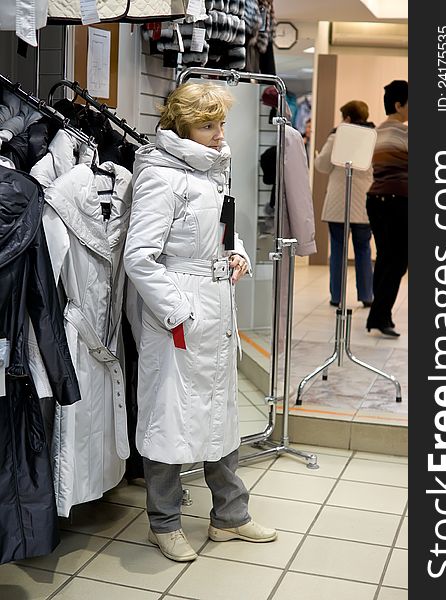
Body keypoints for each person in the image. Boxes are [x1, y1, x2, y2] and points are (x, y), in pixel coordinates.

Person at [123, 82, 277, 563]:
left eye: (220, 123)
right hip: (179, 313)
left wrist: (237, 254)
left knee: (220, 411)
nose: (218, 133)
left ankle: (229, 515)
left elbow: (220, 233)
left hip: (215, 306)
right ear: (181, 126)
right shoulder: (160, 175)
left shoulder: (213, 171)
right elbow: (140, 257)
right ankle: (162, 522)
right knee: (169, 415)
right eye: (207, 124)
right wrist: (178, 309)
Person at [315, 100, 375, 309]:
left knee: (338, 250)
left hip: (338, 204)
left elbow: (321, 166)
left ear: (347, 118)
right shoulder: (374, 138)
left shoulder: (337, 136)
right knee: (364, 249)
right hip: (364, 202)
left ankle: (337, 296)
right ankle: (367, 295)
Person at [365, 80, 408, 337]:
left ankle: (380, 315)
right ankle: (380, 315)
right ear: (398, 105)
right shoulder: (404, 134)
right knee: (399, 260)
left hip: (376, 200)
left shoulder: (376, 133)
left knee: (384, 257)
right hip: (398, 201)